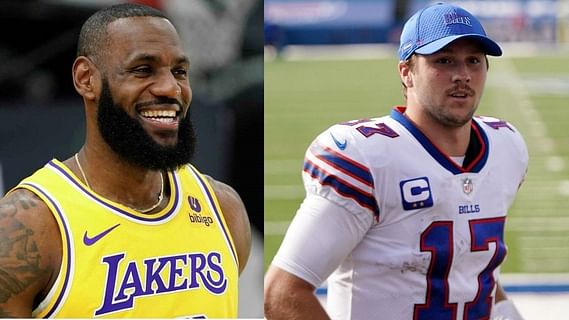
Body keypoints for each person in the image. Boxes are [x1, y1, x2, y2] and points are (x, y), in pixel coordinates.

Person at [264, 3, 526, 320]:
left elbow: (472, 268)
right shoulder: (365, 157)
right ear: (406, 72)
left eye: (474, 61)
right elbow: (282, 292)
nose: (462, 75)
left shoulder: (505, 145)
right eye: (444, 61)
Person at [0, 3, 251, 318]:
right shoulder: (29, 225)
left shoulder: (223, 208)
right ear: (86, 78)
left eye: (180, 72)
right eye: (143, 69)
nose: (170, 88)